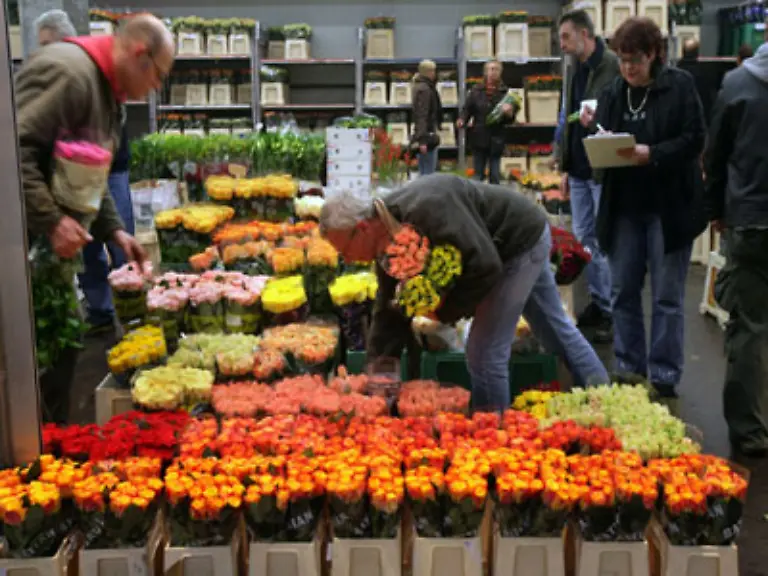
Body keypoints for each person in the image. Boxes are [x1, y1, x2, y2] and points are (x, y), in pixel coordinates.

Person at [319, 174, 609, 411]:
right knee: (554, 329)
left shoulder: (426, 208)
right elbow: (389, 311)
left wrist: (444, 312)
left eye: (343, 250)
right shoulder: (387, 241)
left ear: (362, 228)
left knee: (484, 352)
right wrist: (379, 382)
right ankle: (606, 398)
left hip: (516, 245)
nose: (347, 258)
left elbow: (485, 265)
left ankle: (490, 436)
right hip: (515, 239)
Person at [16, 14, 174, 421]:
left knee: (61, 349)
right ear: (140, 54)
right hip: (20, 257)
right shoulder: (70, 74)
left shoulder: (103, 90)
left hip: (46, 260)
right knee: (35, 357)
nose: (154, 88)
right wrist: (51, 220)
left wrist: (115, 230)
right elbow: (13, 149)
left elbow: (87, 171)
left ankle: (49, 449)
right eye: (158, 76)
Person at [583, 17, 706, 408]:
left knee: (667, 297)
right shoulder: (614, 91)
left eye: (635, 59)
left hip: (669, 209)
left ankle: (665, 374)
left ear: (654, 54)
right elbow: (604, 136)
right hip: (624, 209)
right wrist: (598, 135)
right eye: (621, 59)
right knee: (623, 292)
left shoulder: (680, 86)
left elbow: (694, 139)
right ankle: (629, 367)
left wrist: (651, 154)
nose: (628, 67)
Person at [705, 28, 768, 457]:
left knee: (749, 328)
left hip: (752, 222)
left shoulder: (739, 84)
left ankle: (749, 434)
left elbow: (717, 155)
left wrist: (716, 212)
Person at [553, 9, 619, 341]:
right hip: (578, 170)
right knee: (584, 241)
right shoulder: (572, 69)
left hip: (601, 170)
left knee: (604, 242)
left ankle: (610, 312)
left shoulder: (611, 67)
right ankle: (599, 302)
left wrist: (598, 120)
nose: (562, 44)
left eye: (566, 37)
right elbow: (566, 116)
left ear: (584, 34)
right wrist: (563, 164)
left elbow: (617, 117)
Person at [457, 60, 515, 184]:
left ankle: (494, 202)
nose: (493, 72)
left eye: (496, 69)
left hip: (497, 138)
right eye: (491, 69)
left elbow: (510, 120)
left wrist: (509, 113)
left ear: (501, 72)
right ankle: (478, 201)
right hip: (479, 137)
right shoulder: (476, 91)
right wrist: (462, 120)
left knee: (495, 176)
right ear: (485, 71)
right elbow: (467, 109)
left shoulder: (506, 93)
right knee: (478, 176)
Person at [411, 59, 442, 176]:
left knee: (424, 172)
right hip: (426, 135)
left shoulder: (422, 86)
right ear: (429, 72)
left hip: (424, 134)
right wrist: (422, 140)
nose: (435, 74)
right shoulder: (425, 90)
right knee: (428, 174)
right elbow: (422, 115)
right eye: (433, 71)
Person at [677, 38, 716, 126]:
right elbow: (708, 101)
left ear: (683, 53)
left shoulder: (675, 74)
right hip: (698, 122)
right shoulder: (704, 73)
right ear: (697, 54)